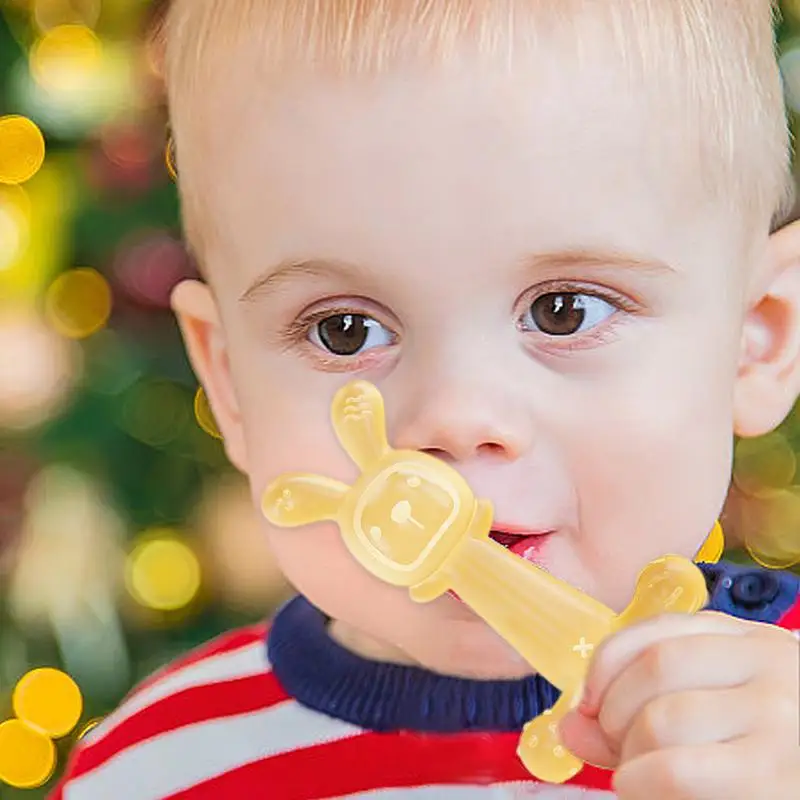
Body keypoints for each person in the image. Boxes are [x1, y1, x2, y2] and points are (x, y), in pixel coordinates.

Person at [53, 1, 800, 797]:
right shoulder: (155, 767)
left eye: (564, 310)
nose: (455, 416)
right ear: (229, 382)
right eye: (344, 331)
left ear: (758, 338)